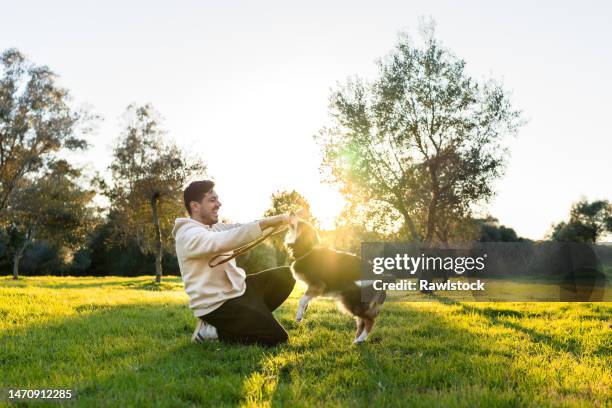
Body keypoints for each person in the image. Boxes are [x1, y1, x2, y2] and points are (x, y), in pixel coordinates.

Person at [172, 180, 295, 346]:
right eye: (212, 200)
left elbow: (248, 227)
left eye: (217, 199)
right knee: (277, 338)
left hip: (238, 290)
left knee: (287, 275)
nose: (219, 204)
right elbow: (227, 239)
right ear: (195, 206)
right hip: (217, 305)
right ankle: (213, 331)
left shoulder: (213, 228)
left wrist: (287, 220)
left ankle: (252, 319)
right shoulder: (188, 235)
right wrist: (271, 222)